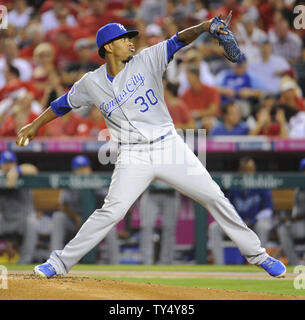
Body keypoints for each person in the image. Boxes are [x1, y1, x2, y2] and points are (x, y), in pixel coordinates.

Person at [16, 19, 286, 278]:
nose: (130, 42)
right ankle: (59, 262)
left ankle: (259, 255)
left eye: (130, 38)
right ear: (108, 47)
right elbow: (62, 104)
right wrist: (34, 125)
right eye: (123, 39)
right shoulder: (91, 83)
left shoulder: (147, 59)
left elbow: (178, 40)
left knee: (214, 196)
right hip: (133, 155)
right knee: (112, 211)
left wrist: (204, 28)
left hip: (168, 146)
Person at [50, 155, 120, 264]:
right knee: (58, 217)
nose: (83, 171)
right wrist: (75, 216)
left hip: (95, 219)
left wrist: (97, 217)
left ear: (90, 168)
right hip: (74, 220)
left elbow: (109, 200)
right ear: (74, 170)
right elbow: (61, 205)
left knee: (110, 228)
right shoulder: (69, 181)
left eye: (85, 167)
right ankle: (53, 261)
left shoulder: (96, 181)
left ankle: (116, 264)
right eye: (79, 168)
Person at [209, 156, 274, 265]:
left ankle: (261, 264)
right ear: (240, 170)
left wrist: (252, 220)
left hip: (255, 223)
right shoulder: (235, 185)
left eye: (251, 169)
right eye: (245, 169)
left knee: (263, 226)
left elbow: (267, 210)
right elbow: (227, 207)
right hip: (237, 222)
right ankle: (219, 266)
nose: (249, 172)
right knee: (214, 228)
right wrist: (237, 221)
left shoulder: (261, 184)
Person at [0, 150, 39, 264]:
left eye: (11, 163)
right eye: (5, 163)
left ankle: (25, 261)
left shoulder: (22, 172)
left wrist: (17, 170)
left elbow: (33, 170)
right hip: (5, 221)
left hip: (22, 222)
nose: (8, 166)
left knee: (32, 221)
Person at [277, 158, 305, 265]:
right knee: (283, 230)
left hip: (301, 222)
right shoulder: (299, 188)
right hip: (299, 224)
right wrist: (289, 219)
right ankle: (294, 264)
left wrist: (292, 218)